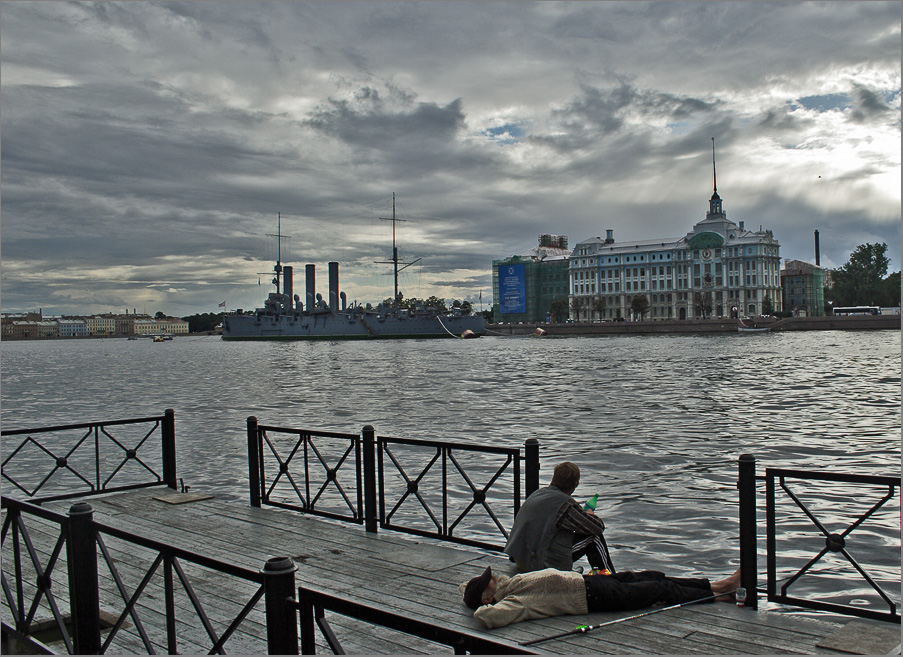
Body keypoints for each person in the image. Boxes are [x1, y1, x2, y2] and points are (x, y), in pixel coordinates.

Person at [460, 564, 741, 629]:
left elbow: (464, 587)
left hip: (591, 581)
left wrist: (474, 590)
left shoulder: (509, 585)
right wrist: (480, 605)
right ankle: (720, 597)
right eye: (488, 584)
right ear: (487, 598)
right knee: (659, 590)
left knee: (651, 576)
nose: (493, 578)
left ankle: (717, 585)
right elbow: (486, 617)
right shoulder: (511, 603)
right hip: (593, 598)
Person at [505, 461, 614, 574]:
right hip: (537, 563)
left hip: (520, 558)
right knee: (594, 538)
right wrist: (590, 516)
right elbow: (597, 527)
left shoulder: (539, 493)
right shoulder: (565, 505)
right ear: (575, 484)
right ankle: (611, 580)